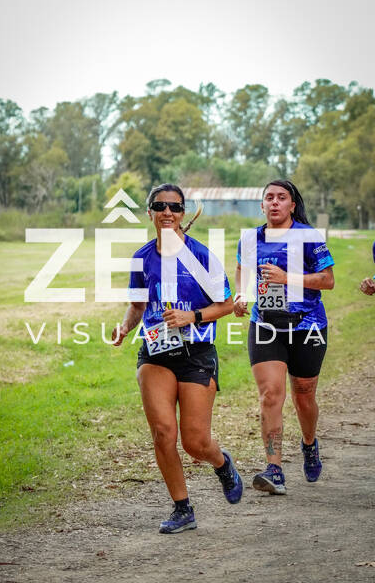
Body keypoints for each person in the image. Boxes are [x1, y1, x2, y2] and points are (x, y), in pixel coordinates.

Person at [112, 183, 243, 533]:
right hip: (155, 352)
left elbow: (226, 304)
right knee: (162, 432)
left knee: (195, 442)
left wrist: (192, 317)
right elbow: (138, 305)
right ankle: (182, 508)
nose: (167, 212)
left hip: (196, 353)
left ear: (183, 213)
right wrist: (124, 328)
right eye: (160, 206)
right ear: (150, 213)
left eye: (174, 206)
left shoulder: (200, 256)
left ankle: (221, 463)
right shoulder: (142, 258)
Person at [234, 180, 335, 495]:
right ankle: (274, 469)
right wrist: (240, 295)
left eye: (281, 197)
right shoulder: (250, 238)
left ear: (292, 205)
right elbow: (242, 270)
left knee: (303, 395)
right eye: (269, 198)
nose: (275, 202)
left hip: (307, 325)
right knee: (270, 395)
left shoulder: (308, 236)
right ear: (261, 205)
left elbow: (328, 280)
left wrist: (287, 277)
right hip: (266, 324)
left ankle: (309, 443)